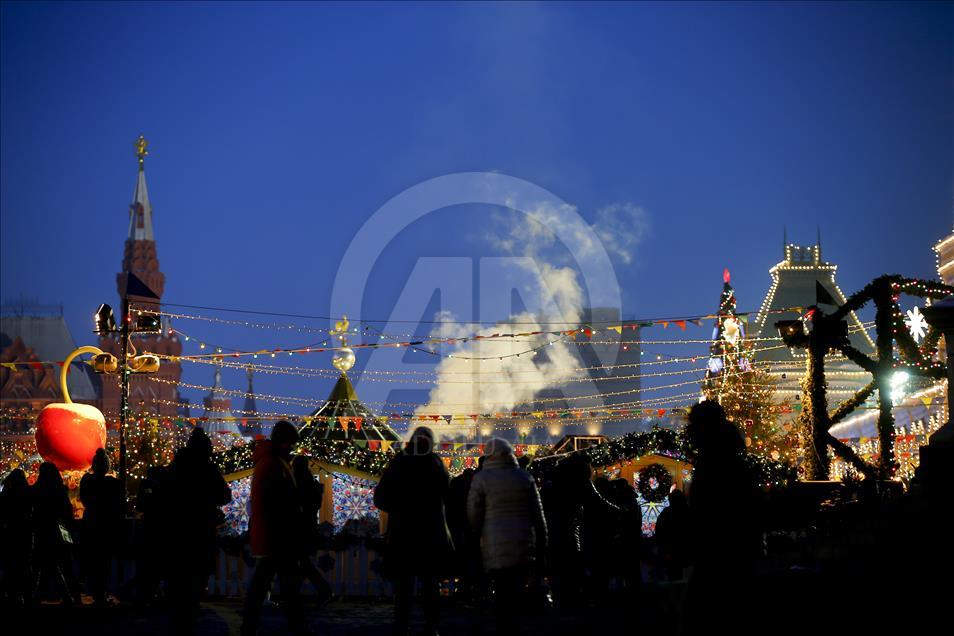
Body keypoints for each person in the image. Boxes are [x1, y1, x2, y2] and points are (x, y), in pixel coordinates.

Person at [680, 400, 760, 635]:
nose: (690, 432)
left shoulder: (714, 465)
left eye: (694, 425)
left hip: (719, 554)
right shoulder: (728, 460)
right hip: (731, 553)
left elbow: (712, 512)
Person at [374, 427, 452, 636]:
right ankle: (431, 625)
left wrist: (399, 509)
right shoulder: (436, 464)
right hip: (430, 532)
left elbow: (380, 497)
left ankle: (402, 624)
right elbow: (448, 496)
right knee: (430, 584)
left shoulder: (399, 462)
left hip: (404, 532)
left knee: (404, 584)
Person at [467, 438, 547, 636]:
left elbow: (473, 512)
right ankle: (516, 627)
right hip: (523, 539)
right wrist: (542, 539)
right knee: (518, 587)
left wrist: (474, 536)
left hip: (494, 540)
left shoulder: (482, 478)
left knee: (502, 589)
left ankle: (504, 627)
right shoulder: (524, 477)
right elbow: (538, 514)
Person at [241, 421, 307, 636]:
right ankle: (295, 626)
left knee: (268, 583)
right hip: (277, 534)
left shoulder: (271, 462)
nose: (292, 447)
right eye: (290, 443)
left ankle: (252, 624)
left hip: (274, 534)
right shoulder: (273, 464)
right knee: (279, 584)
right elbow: (278, 499)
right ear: (283, 442)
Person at [166, 428, 232, 634]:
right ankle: (189, 616)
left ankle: (179, 617)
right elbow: (225, 496)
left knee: (180, 577)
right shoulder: (208, 469)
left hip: (178, 531)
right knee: (196, 577)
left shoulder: (176, 467)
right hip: (201, 530)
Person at [79, 448, 125, 605]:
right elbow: (119, 505)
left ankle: (95, 592)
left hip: (92, 523)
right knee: (104, 562)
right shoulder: (113, 483)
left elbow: (84, 500)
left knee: (93, 560)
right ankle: (102, 592)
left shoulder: (87, 481)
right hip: (106, 526)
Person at [30, 461, 79, 606]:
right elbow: (67, 511)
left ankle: (41, 595)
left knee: (46, 564)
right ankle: (71, 595)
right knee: (63, 564)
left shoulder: (37, 490)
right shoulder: (60, 490)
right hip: (59, 530)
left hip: (43, 531)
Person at [292, 454, 332, 604]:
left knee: (302, 562)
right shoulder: (311, 483)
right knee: (302, 562)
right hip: (308, 526)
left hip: (297, 528)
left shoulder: (296, 482)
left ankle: (322, 590)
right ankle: (319, 590)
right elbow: (316, 504)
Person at [0, 468, 32, 606]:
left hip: (10, 532)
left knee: (9, 563)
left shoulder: (6, 493)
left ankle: (11, 592)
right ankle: (25, 593)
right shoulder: (27, 493)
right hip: (24, 532)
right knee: (24, 563)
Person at [653, 489, 690, 582]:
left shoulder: (667, 512)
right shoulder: (688, 511)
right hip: (685, 548)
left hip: (671, 549)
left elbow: (660, 531)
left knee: (673, 576)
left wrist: (662, 549)